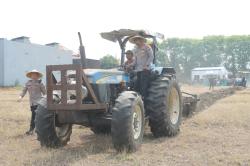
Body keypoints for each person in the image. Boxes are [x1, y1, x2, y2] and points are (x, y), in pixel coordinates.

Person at [18, 69, 46, 135]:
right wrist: (20, 96)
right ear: (30, 76)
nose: (34, 76)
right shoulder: (28, 83)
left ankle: (31, 130)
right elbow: (24, 90)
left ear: (38, 76)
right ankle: (36, 130)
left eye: (35, 74)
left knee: (34, 116)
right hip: (32, 103)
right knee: (35, 116)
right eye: (32, 74)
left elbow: (45, 92)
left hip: (39, 102)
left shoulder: (40, 83)